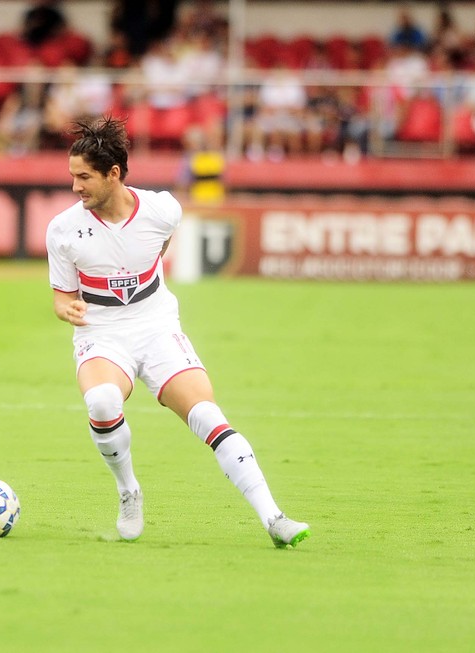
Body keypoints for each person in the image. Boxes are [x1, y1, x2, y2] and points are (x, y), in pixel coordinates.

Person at [45, 117, 310, 548]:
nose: (75, 186)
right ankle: (128, 490)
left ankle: (274, 518)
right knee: (102, 400)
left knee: (207, 414)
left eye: (83, 177)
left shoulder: (162, 210)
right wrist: (67, 310)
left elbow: (157, 250)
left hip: (156, 327)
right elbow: (61, 297)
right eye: (72, 176)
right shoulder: (62, 229)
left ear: (114, 174)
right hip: (103, 333)